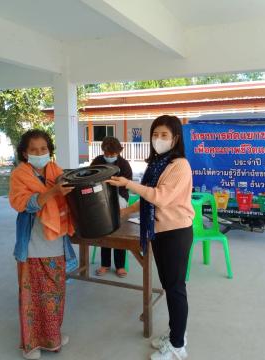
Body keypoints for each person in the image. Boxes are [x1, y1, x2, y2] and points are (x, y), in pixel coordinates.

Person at [107, 115, 194, 360]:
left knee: (176, 288)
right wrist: (124, 212)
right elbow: (147, 199)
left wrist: (128, 183)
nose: (158, 139)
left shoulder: (179, 165)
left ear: (175, 138)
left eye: (164, 135)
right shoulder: (158, 164)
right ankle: (176, 333)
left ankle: (178, 346)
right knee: (168, 287)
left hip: (175, 233)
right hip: (159, 231)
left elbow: (160, 197)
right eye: (155, 134)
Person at [8, 129, 75, 360]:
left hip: (56, 242)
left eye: (43, 149)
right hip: (33, 245)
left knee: (54, 295)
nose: (39, 153)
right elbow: (23, 204)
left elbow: (68, 199)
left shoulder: (55, 171)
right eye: (34, 150)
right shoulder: (20, 174)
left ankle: (52, 337)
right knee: (32, 297)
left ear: (50, 151)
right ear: (25, 153)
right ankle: (31, 344)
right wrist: (53, 191)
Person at [91, 136, 133, 278]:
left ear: (119, 152)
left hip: (119, 198)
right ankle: (105, 264)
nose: (109, 157)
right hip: (100, 197)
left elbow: (127, 185)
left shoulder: (124, 165)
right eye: (107, 154)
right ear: (103, 151)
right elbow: (90, 179)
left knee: (119, 232)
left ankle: (120, 266)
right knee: (105, 231)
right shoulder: (97, 161)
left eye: (113, 154)